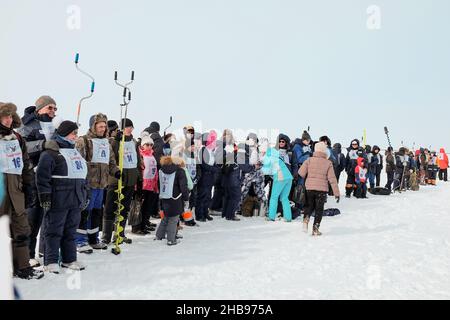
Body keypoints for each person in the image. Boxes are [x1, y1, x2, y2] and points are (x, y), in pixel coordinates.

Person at [36, 121, 89, 273]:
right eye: (73, 133)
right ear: (65, 133)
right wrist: (44, 195)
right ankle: (51, 261)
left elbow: (84, 177)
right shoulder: (51, 153)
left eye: (77, 134)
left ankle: (69, 259)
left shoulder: (76, 153)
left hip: (76, 198)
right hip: (58, 199)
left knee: (70, 230)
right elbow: (42, 176)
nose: (75, 137)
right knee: (54, 230)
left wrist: (87, 194)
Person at [0, 102, 44, 279]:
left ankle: (22, 268)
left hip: (16, 192)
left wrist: (28, 186)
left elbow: (26, 164)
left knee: (21, 230)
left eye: (11, 116)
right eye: (5, 116)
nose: (9, 119)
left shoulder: (17, 138)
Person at [18, 95, 58, 266]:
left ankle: (44, 251)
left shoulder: (54, 125)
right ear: (40, 108)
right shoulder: (27, 124)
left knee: (48, 216)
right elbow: (21, 146)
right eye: (50, 108)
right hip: (32, 174)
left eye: (55, 109)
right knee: (33, 218)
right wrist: (42, 145)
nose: (53, 112)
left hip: (50, 176)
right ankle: (26, 255)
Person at [75, 114, 120, 252]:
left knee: (96, 212)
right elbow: (78, 160)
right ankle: (80, 240)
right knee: (84, 212)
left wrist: (116, 171)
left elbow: (111, 161)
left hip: (102, 184)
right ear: (93, 126)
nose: (103, 128)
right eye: (100, 126)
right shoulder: (84, 140)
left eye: (104, 126)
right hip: (88, 183)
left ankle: (93, 238)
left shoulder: (106, 142)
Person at [102, 118, 142, 245]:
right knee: (110, 207)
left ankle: (120, 233)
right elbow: (111, 156)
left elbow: (137, 161)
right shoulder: (115, 141)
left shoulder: (134, 142)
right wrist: (117, 140)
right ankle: (106, 235)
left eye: (131, 127)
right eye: (127, 127)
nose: (130, 129)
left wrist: (139, 177)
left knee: (124, 208)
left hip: (130, 179)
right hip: (116, 179)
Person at [299, 142, 340, 236]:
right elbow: (332, 179)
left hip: (309, 188)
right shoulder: (328, 162)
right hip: (321, 190)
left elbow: (301, 172)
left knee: (309, 206)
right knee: (319, 209)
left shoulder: (309, 160)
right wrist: (336, 193)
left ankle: (305, 220)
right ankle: (315, 229)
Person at [155, 155, 189, 245]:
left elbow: (159, 184)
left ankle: (159, 235)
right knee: (174, 219)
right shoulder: (180, 171)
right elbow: (183, 187)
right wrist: (186, 198)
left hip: (164, 197)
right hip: (176, 198)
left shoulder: (161, 170)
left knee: (166, 217)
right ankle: (171, 239)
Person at [131, 132, 159, 234]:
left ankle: (143, 225)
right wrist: (136, 186)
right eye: (147, 144)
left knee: (147, 207)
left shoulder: (152, 156)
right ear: (142, 145)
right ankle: (136, 227)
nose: (149, 146)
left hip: (151, 185)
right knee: (139, 207)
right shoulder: (140, 156)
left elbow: (154, 171)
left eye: (151, 145)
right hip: (142, 185)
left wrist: (155, 185)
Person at [262, 143, 293, 222]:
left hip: (280, 178)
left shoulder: (270, 159)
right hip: (289, 178)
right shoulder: (279, 159)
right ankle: (288, 217)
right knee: (284, 198)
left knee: (274, 197)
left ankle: (271, 217)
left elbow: (264, 171)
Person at [196, 131, 219, 222]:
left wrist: (216, 168)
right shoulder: (203, 150)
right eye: (213, 141)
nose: (214, 143)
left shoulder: (211, 151)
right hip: (204, 176)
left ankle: (205, 213)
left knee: (208, 196)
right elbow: (203, 164)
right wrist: (214, 169)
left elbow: (214, 163)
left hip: (210, 177)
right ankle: (199, 215)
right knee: (202, 196)